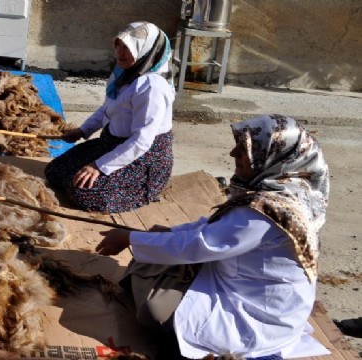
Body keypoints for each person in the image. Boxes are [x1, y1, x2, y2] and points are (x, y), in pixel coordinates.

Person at [95, 114, 330, 359]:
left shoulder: (265, 213)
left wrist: (131, 239)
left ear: (273, 156)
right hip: (258, 296)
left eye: (244, 150)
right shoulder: (284, 194)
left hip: (257, 317)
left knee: (154, 309)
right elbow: (211, 227)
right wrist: (153, 236)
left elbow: (200, 244)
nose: (232, 153)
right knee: (156, 248)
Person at [45, 21, 175, 213]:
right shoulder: (124, 75)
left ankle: (142, 189)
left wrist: (99, 166)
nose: (121, 53)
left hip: (142, 159)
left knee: (82, 192)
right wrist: (83, 130)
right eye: (119, 45)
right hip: (112, 145)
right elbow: (108, 108)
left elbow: (141, 141)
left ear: (147, 51)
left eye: (129, 48)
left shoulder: (152, 87)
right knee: (55, 171)